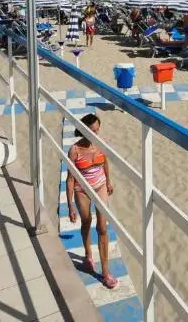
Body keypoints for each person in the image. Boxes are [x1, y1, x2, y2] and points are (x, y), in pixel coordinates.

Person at [66, 114, 117, 289]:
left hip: (100, 186)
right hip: (82, 190)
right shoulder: (75, 150)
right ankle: (88, 254)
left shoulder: (101, 144)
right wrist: (70, 205)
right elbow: (70, 179)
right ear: (83, 130)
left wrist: (108, 182)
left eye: (97, 131)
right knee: (86, 222)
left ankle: (105, 272)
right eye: (91, 131)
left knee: (102, 227)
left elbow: (105, 163)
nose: (95, 135)